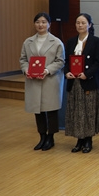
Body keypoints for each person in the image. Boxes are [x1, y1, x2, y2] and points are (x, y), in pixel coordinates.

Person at [19, 12, 65, 151]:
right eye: (38, 22)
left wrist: (47, 70)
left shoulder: (56, 42)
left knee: (50, 110)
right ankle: (42, 136)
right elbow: (23, 59)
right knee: (37, 110)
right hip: (33, 80)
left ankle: (51, 138)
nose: (41, 25)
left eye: (44, 22)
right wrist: (26, 70)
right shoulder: (28, 42)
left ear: (49, 24)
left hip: (50, 79)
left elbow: (60, 61)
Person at [64, 13, 99, 153]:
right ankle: (79, 140)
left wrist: (87, 74)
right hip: (74, 82)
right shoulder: (70, 41)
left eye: (83, 23)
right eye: (77, 22)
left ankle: (88, 140)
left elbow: (98, 62)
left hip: (89, 81)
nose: (80, 25)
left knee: (88, 111)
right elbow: (66, 61)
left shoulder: (96, 41)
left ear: (89, 25)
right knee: (76, 110)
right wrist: (66, 72)